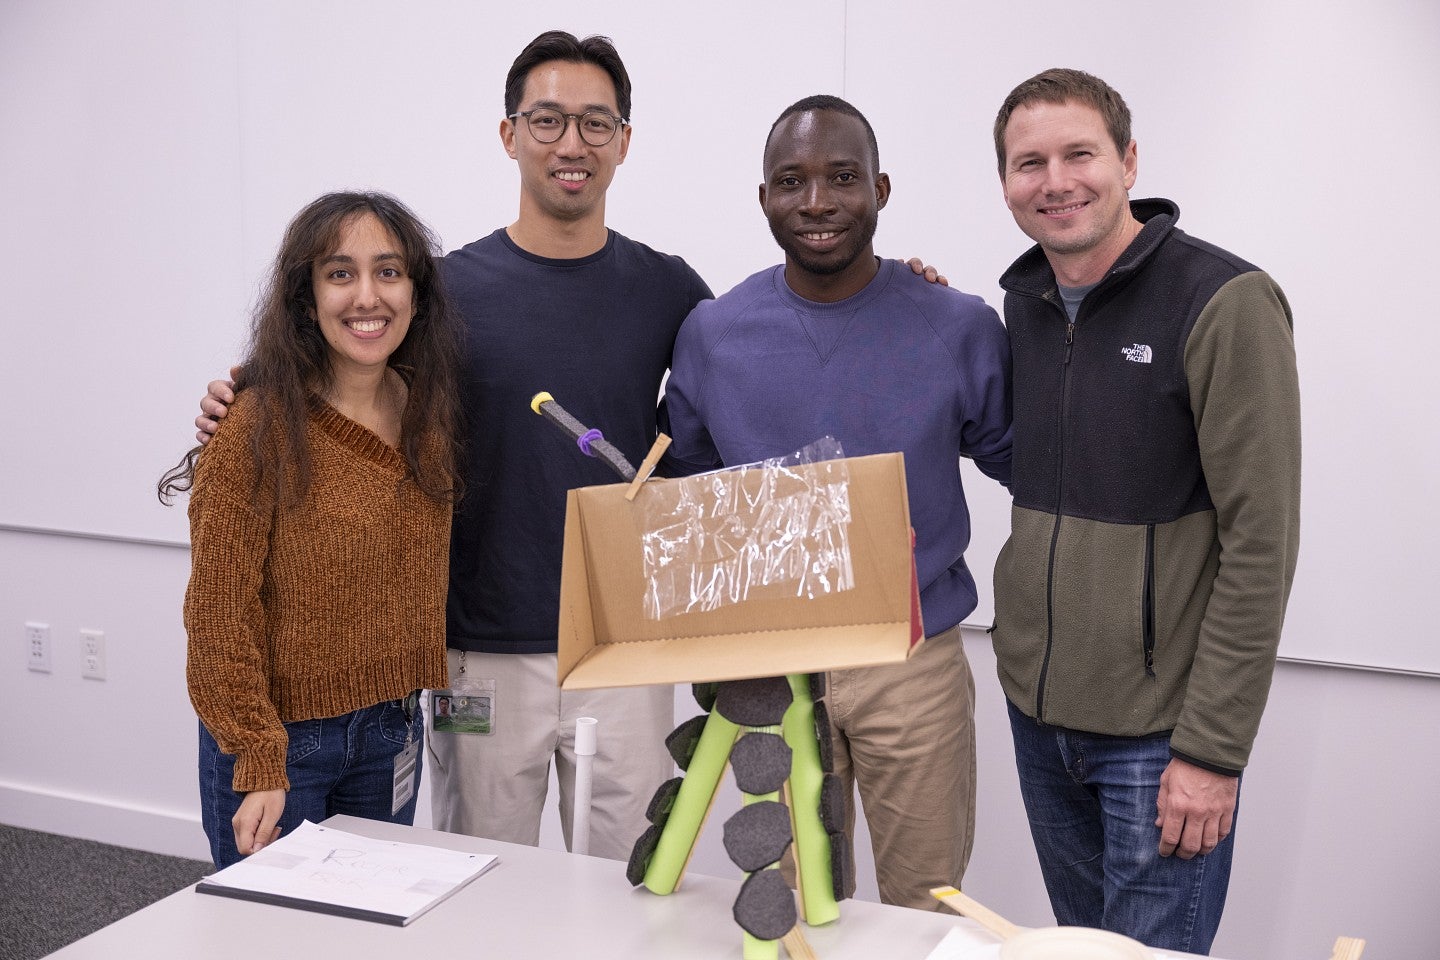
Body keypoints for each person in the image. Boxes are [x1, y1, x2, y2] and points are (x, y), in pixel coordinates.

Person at [198, 32, 711, 861]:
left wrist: (891, 282)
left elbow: (757, 366)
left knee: (629, 885)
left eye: (595, 122)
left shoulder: (670, 289)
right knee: (482, 881)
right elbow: (332, 364)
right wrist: (241, 389)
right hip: (478, 651)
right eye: (547, 120)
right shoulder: (441, 290)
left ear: (624, 141)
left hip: (625, 648)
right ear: (509, 134)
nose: (571, 143)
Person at [661, 95, 1013, 911]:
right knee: (789, 906)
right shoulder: (713, 333)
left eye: (842, 178)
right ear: (763, 198)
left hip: (911, 665)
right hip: (770, 665)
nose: (816, 202)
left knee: (928, 906)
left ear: (881, 190)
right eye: (792, 181)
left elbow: (1031, 470)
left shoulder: (957, 325)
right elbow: (693, 482)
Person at [989, 68, 1301, 953]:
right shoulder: (1025, 305)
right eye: (1028, 163)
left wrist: (1211, 752)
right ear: (1006, 183)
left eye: (1079, 153)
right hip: (1039, 721)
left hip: (1161, 742)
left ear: (1128, 160)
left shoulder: (1225, 303)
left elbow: (1261, 547)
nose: (1055, 181)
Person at [161, 191, 464, 869]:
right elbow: (218, 611)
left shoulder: (428, 416)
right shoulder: (255, 424)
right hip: (281, 743)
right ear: (306, 297)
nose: (367, 296)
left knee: (368, 932)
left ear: (416, 293)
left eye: (389, 272)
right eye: (339, 273)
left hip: (391, 732)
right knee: (273, 938)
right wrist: (258, 754)